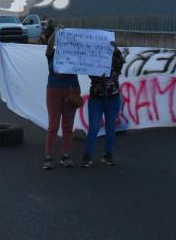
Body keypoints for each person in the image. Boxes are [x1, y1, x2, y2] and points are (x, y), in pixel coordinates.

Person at [82, 36, 124, 168]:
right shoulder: (94, 59)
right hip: (97, 98)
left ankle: (108, 155)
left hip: (112, 98)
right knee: (94, 128)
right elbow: (90, 73)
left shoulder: (116, 57)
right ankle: (88, 156)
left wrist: (115, 49)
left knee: (110, 129)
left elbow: (121, 63)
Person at [43, 27, 80, 169]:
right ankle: (48, 156)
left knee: (67, 125)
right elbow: (49, 46)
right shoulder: (52, 54)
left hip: (71, 89)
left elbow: (90, 61)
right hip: (54, 90)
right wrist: (56, 32)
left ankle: (65, 155)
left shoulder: (76, 54)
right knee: (53, 125)